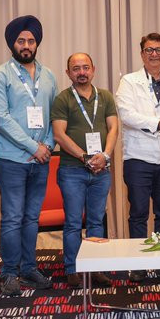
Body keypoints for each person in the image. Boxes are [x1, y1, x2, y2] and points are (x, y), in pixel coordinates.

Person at [0, 15, 58, 297]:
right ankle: (9, 273)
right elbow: (1, 118)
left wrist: (47, 146)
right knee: (13, 217)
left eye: (31, 40)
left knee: (31, 218)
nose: (26, 45)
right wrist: (33, 147)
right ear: (12, 44)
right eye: (21, 41)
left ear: (37, 43)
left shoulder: (48, 75)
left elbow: (54, 116)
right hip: (11, 159)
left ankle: (29, 268)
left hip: (41, 158)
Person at [115, 32, 160, 281]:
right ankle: (138, 265)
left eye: (159, 50)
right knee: (138, 212)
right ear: (142, 54)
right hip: (137, 157)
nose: (154, 54)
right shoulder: (129, 81)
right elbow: (127, 115)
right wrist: (158, 123)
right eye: (149, 50)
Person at [51, 53, 118, 288]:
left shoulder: (105, 96)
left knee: (96, 221)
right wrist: (85, 157)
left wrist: (105, 155)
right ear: (68, 73)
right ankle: (72, 269)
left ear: (93, 69)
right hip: (72, 171)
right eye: (76, 68)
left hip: (101, 170)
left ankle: (95, 268)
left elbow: (113, 128)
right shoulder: (62, 99)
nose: (81, 72)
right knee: (72, 222)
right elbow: (59, 134)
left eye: (85, 67)